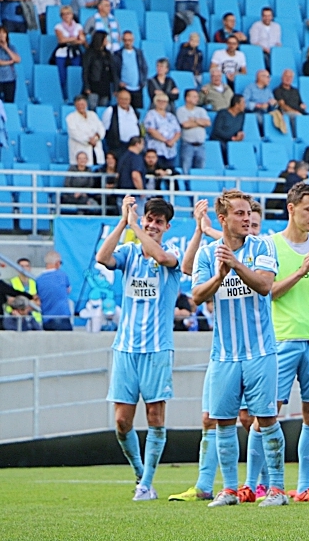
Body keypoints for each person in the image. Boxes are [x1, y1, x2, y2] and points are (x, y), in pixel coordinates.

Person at [191, 189, 287, 508]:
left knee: (267, 418)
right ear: (223, 219)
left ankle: (276, 489)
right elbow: (196, 296)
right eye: (240, 214)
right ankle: (230, 489)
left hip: (260, 350)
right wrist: (220, 275)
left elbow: (264, 286)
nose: (247, 219)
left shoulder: (263, 245)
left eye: (249, 213)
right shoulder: (207, 255)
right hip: (224, 354)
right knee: (222, 420)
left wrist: (235, 265)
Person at [252, 182, 309, 503]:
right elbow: (269, 292)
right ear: (291, 209)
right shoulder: (271, 245)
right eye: (308, 210)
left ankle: (304, 485)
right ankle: (256, 483)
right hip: (282, 337)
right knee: (267, 411)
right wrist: (303, 268)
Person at [94, 195, 179, 500]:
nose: (153, 225)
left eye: (159, 221)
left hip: (157, 349)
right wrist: (122, 222)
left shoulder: (172, 253)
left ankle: (146, 484)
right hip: (126, 348)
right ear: (143, 219)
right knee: (121, 421)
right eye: (149, 219)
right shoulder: (129, 252)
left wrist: (136, 227)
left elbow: (161, 257)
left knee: (155, 416)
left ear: (167, 226)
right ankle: (140, 475)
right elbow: (103, 258)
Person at [144, 93, 182, 181]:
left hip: (170, 151)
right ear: (155, 102)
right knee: (158, 174)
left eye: (164, 101)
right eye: (159, 101)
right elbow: (151, 130)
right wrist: (165, 140)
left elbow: (178, 131)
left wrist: (172, 141)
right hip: (157, 150)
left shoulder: (171, 116)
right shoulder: (151, 114)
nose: (162, 103)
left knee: (170, 173)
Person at [53, 5, 85, 98]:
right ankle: (63, 96)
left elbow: (82, 40)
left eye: (68, 14)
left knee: (75, 75)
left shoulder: (78, 26)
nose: (66, 16)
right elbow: (61, 40)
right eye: (63, 14)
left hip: (75, 53)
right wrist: (75, 38)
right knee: (62, 77)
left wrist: (69, 39)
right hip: (62, 53)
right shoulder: (58, 26)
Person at [37, 250, 72, 331]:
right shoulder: (62, 276)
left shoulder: (39, 279)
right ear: (57, 263)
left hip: (46, 319)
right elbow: (68, 290)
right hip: (62, 317)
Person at [67, 95, 106, 166]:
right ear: (75, 106)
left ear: (86, 104)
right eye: (78, 105)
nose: (81, 106)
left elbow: (101, 128)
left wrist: (96, 138)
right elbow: (74, 134)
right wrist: (88, 140)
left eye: (83, 104)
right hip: (80, 148)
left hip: (95, 148)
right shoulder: (70, 118)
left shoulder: (93, 115)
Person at [177, 89, 210, 170]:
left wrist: (194, 120)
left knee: (200, 170)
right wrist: (200, 123)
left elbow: (208, 123)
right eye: (194, 97)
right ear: (187, 98)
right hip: (188, 145)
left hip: (201, 145)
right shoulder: (181, 110)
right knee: (186, 168)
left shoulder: (201, 110)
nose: (197, 99)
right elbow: (185, 124)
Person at [113, 31, 148, 110]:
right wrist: (118, 83)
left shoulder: (139, 53)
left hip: (137, 88)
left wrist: (143, 81)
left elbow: (144, 68)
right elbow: (114, 71)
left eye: (129, 40)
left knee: (138, 111)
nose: (127, 42)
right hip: (124, 88)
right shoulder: (117, 54)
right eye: (125, 40)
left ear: (133, 40)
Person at [82, 31, 117, 109]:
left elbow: (113, 71)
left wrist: (115, 87)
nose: (107, 41)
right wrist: (86, 86)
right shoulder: (90, 53)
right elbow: (86, 70)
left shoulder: (108, 54)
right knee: (92, 108)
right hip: (93, 85)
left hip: (105, 86)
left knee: (103, 108)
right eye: (105, 39)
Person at [102, 89, 141, 156]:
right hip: (118, 147)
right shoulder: (110, 111)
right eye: (122, 99)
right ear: (117, 99)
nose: (124, 101)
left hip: (134, 146)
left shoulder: (134, 111)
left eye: (126, 99)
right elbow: (105, 129)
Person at [4, 257, 41, 324]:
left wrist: (21, 302)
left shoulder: (35, 283)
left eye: (27, 266)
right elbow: (10, 301)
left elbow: (39, 302)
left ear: (30, 268)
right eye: (22, 266)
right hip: (15, 319)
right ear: (17, 268)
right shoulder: (11, 282)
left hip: (35, 320)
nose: (24, 268)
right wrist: (30, 303)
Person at [0, 25, 20, 102]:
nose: (1, 35)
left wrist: (6, 48)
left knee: (9, 101)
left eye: (4, 33)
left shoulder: (11, 47)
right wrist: (10, 62)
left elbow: (17, 59)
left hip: (10, 79)